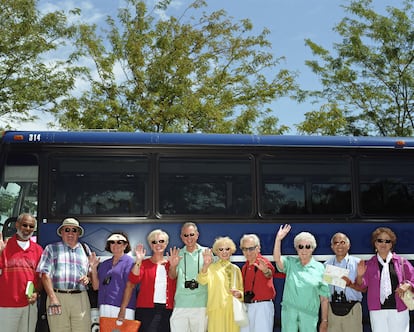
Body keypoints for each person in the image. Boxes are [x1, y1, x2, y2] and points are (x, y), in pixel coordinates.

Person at [36, 217, 91, 332]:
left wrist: (87, 278)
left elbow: (90, 273)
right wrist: (52, 297)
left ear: (78, 234)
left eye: (74, 230)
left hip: (81, 298)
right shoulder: (51, 249)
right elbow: (45, 275)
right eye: (67, 230)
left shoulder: (85, 249)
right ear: (61, 232)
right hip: (57, 297)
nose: (70, 233)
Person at [355, 227, 414, 332]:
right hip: (377, 311)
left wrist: (408, 285)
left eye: (387, 241)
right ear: (375, 243)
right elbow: (362, 286)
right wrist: (359, 276)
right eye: (380, 240)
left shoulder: (401, 262)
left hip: (399, 309)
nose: (383, 243)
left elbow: (412, 280)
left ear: (391, 244)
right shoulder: (369, 264)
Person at [273, 224, 330, 332]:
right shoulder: (290, 263)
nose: (304, 250)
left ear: (313, 248)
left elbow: (324, 298)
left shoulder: (321, 268)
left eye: (308, 246)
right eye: (300, 246)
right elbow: (277, 259)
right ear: (296, 248)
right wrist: (278, 239)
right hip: (289, 314)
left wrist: (324, 320)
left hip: (309, 316)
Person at [118, 229, 177, 332]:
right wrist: (138, 261)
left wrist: (173, 266)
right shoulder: (144, 263)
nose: (158, 244)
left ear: (166, 243)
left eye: (161, 241)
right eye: (154, 242)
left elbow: (173, 278)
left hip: (166, 310)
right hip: (146, 310)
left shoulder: (171, 264)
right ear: (150, 244)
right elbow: (134, 279)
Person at [0, 213, 43, 332]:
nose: (28, 229)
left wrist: (37, 293)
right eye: (25, 225)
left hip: (29, 306)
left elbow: (40, 278)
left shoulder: (38, 250)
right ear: (17, 225)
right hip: (6, 306)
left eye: (31, 226)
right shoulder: (4, 246)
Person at [197, 236, 243, 332]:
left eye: (227, 249)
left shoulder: (236, 269)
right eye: (221, 249)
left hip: (233, 310)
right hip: (216, 309)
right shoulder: (211, 268)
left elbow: (241, 291)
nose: (224, 252)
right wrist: (205, 265)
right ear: (216, 252)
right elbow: (201, 280)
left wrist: (239, 294)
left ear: (232, 250)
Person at [169, 222, 208, 332]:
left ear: (197, 235)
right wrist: (173, 266)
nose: (189, 238)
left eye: (191, 234)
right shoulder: (178, 254)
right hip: (181, 304)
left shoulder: (207, 253)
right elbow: (172, 276)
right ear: (181, 237)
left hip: (201, 304)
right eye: (185, 235)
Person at [89, 232, 136, 319]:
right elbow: (96, 287)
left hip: (122, 308)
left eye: (119, 242)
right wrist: (93, 268)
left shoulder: (130, 262)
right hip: (104, 306)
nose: (115, 245)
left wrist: (123, 309)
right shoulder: (104, 264)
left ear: (125, 245)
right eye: (112, 242)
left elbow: (130, 286)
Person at [324, 232, 363, 332]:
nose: (339, 246)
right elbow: (323, 292)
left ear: (349, 245)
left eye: (342, 242)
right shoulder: (326, 265)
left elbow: (364, 289)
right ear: (332, 246)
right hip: (332, 310)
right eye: (336, 243)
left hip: (352, 309)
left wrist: (351, 284)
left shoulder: (358, 263)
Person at [239, 234, 276, 332]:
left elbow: (269, 273)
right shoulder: (245, 267)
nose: (248, 252)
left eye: (251, 248)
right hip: (247, 306)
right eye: (244, 249)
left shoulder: (264, 262)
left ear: (258, 248)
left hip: (262, 307)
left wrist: (265, 271)